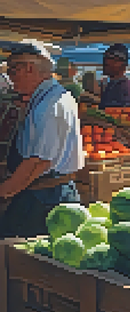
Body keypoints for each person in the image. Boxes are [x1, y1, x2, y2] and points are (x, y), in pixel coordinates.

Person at [0, 43, 83, 238]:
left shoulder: (50, 106)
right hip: (45, 192)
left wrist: (5, 191)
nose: (10, 78)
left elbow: (37, 163)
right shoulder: (47, 97)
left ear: (29, 68)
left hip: (45, 198)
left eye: (13, 70)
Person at [100, 44, 130, 109]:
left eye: (110, 59)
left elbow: (119, 114)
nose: (105, 63)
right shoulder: (112, 84)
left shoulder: (123, 87)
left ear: (121, 64)